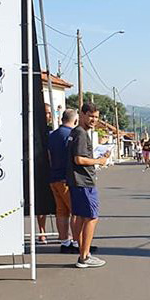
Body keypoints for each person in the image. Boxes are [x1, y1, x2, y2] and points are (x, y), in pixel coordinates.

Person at [66, 102, 109, 268]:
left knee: (81, 217)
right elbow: (79, 159)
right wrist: (100, 161)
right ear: (82, 115)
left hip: (76, 181)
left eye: (96, 117)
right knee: (92, 217)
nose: (93, 120)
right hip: (83, 181)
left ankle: (83, 252)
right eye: (91, 116)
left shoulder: (75, 133)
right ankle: (84, 256)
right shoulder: (81, 134)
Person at [48, 108, 78, 254]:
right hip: (67, 178)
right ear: (75, 120)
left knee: (61, 212)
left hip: (53, 176)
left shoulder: (52, 135)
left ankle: (64, 241)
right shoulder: (71, 135)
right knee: (76, 211)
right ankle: (78, 242)